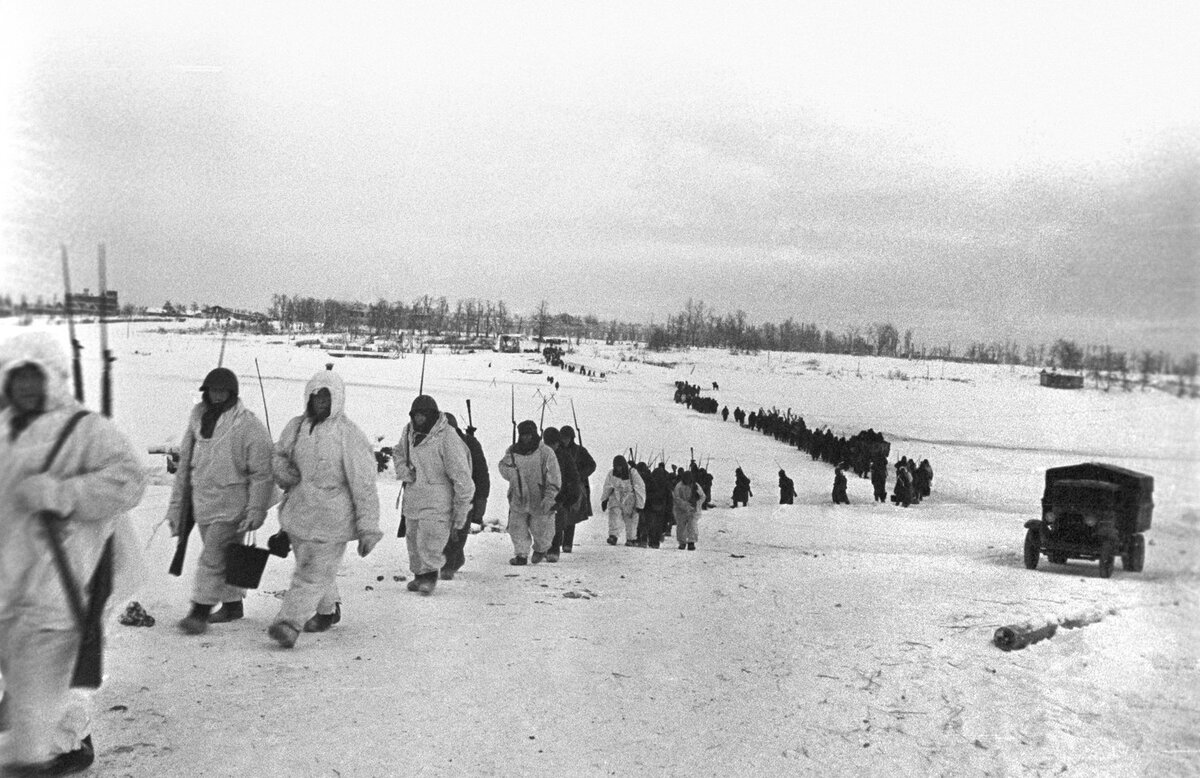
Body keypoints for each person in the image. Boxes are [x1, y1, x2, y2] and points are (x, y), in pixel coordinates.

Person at [0, 332, 146, 775]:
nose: (25, 386)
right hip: (11, 584)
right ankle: (65, 739)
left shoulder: (85, 429)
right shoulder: (5, 429)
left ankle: (46, 754)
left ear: (53, 377)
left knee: (40, 689)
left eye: (34, 376)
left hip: (62, 585)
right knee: (30, 680)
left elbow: (130, 481)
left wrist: (62, 493)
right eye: (16, 376)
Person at [268, 368, 382, 647]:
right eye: (316, 396)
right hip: (301, 513)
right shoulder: (296, 428)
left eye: (326, 396)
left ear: (337, 399)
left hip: (334, 518)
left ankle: (288, 622)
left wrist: (368, 527)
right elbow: (279, 456)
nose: (320, 401)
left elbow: (364, 484)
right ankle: (328, 611)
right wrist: (285, 472)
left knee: (311, 573)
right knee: (314, 568)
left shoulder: (348, 434)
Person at [167, 367, 275, 634]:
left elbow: (262, 473)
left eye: (221, 391)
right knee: (223, 557)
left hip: (232, 505)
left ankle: (199, 612)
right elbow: (186, 465)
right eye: (212, 390)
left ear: (232, 393)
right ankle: (232, 605)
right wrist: (178, 505)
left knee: (212, 558)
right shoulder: (198, 419)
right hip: (203, 502)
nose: (216, 396)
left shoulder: (248, 426)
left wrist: (256, 509)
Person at [392, 396, 474, 593]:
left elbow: (462, 476)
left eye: (423, 415)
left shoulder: (447, 437)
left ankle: (429, 576)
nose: (419, 419)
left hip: (439, 500)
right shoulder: (408, 432)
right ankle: (419, 575)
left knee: (430, 538)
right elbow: (398, 454)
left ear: (432, 415)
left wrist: (461, 508)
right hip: (413, 497)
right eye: (416, 415)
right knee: (412, 539)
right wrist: (405, 472)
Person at [497, 420, 560, 565]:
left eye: (529, 435)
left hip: (539, 496)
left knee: (541, 528)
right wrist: (511, 473)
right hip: (519, 495)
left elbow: (554, 475)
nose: (526, 438)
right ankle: (521, 555)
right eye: (523, 435)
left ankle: (541, 548)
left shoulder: (545, 452)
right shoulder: (512, 451)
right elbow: (503, 466)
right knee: (516, 526)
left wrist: (550, 496)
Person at [438, 412, 489, 581]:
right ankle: (452, 559)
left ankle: (449, 564)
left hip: (466, 495)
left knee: (459, 531)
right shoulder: (433, 443)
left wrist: (481, 498)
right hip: (441, 496)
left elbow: (481, 472)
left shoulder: (470, 444)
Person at [541, 427, 579, 563]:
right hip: (541, 495)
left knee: (556, 524)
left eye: (554, 443)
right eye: (548, 443)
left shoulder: (564, 455)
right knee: (541, 524)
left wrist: (571, 496)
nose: (551, 447)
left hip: (560, 496)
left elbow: (573, 477)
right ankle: (542, 548)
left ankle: (553, 549)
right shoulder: (539, 453)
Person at [558, 425, 595, 553]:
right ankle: (558, 541)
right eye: (562, 437)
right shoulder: (557, 450)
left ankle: (567, 543)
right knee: (559, 513)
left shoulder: (579, 451)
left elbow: (591, 465)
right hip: (560, 485)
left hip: (575, 487)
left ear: (572, 438)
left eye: (567, 438)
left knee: (571, 514)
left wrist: (580, 475)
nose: (564, 440)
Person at [599, 455, 645, 545]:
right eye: (616, 466)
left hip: (630, 499)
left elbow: (640, 488)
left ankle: (630, 538)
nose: (618, 468)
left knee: (631, 519)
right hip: (615, 497)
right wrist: (604, 499)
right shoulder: (611, 473)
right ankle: (613, 536)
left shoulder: (633, 473)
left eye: (620, 466)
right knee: (614, 516)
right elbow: (607, 487)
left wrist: (640, 504)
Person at [672, 470, 704, 551]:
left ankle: (691, 542)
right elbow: (677, 498)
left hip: (693, 510)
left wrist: (696, 504)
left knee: (692, 526)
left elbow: (702, 496)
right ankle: (682, 542)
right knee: (681, 526)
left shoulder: (696, 486)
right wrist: (686, 505)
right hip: (680, 510)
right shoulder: (679, 486)